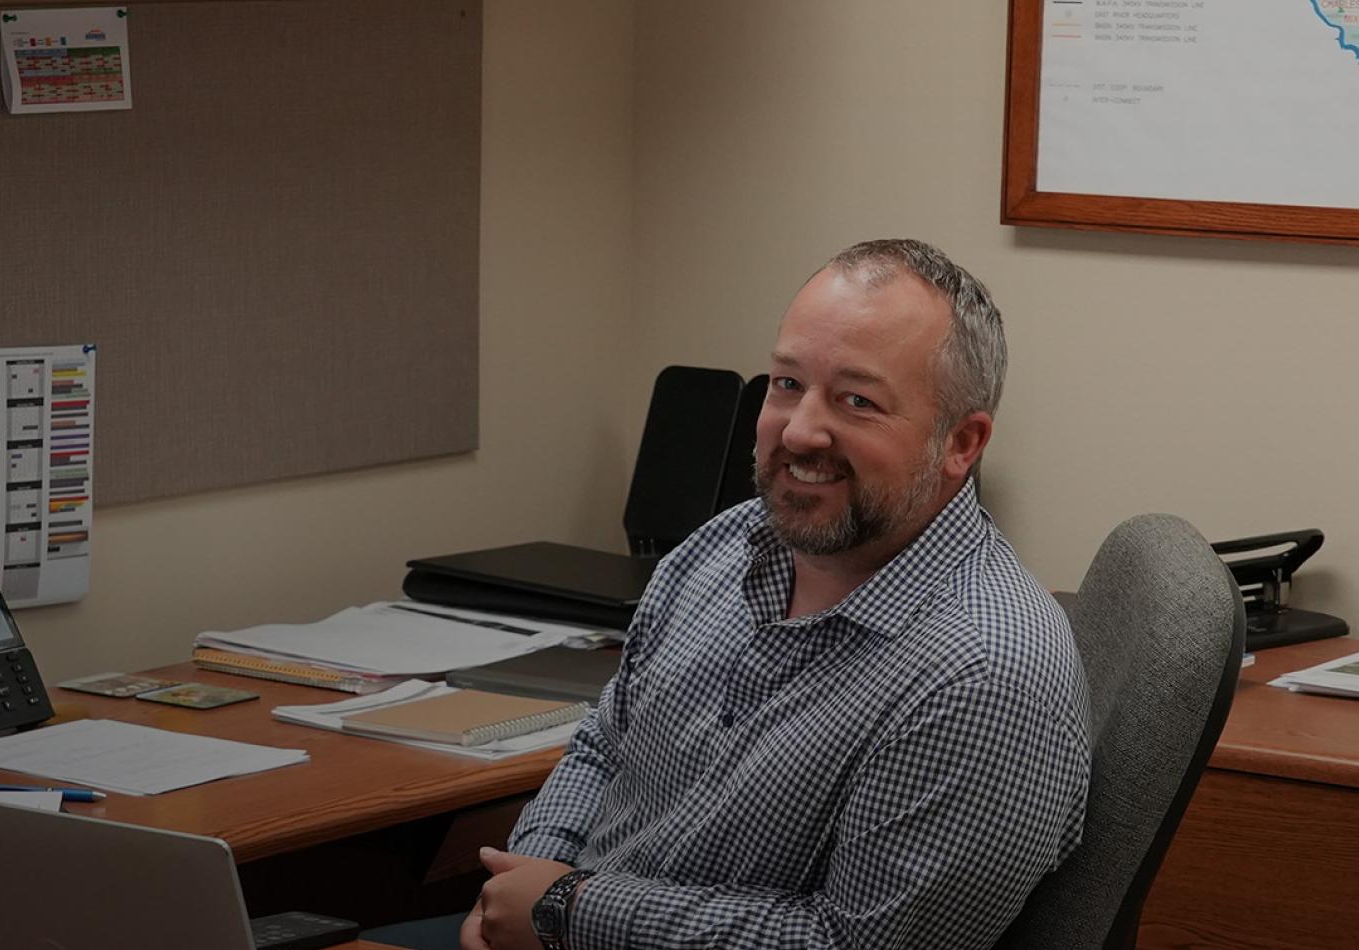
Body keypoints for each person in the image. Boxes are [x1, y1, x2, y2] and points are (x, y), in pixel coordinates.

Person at [459, 239, 1090, 950]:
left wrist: (566, 910)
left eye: (857, 400)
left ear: (962, 443)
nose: (798, 429)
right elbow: (606, 745)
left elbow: (853, 946)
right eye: (787, 384)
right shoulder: (724, 546)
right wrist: (521, 881)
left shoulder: (982, 672)